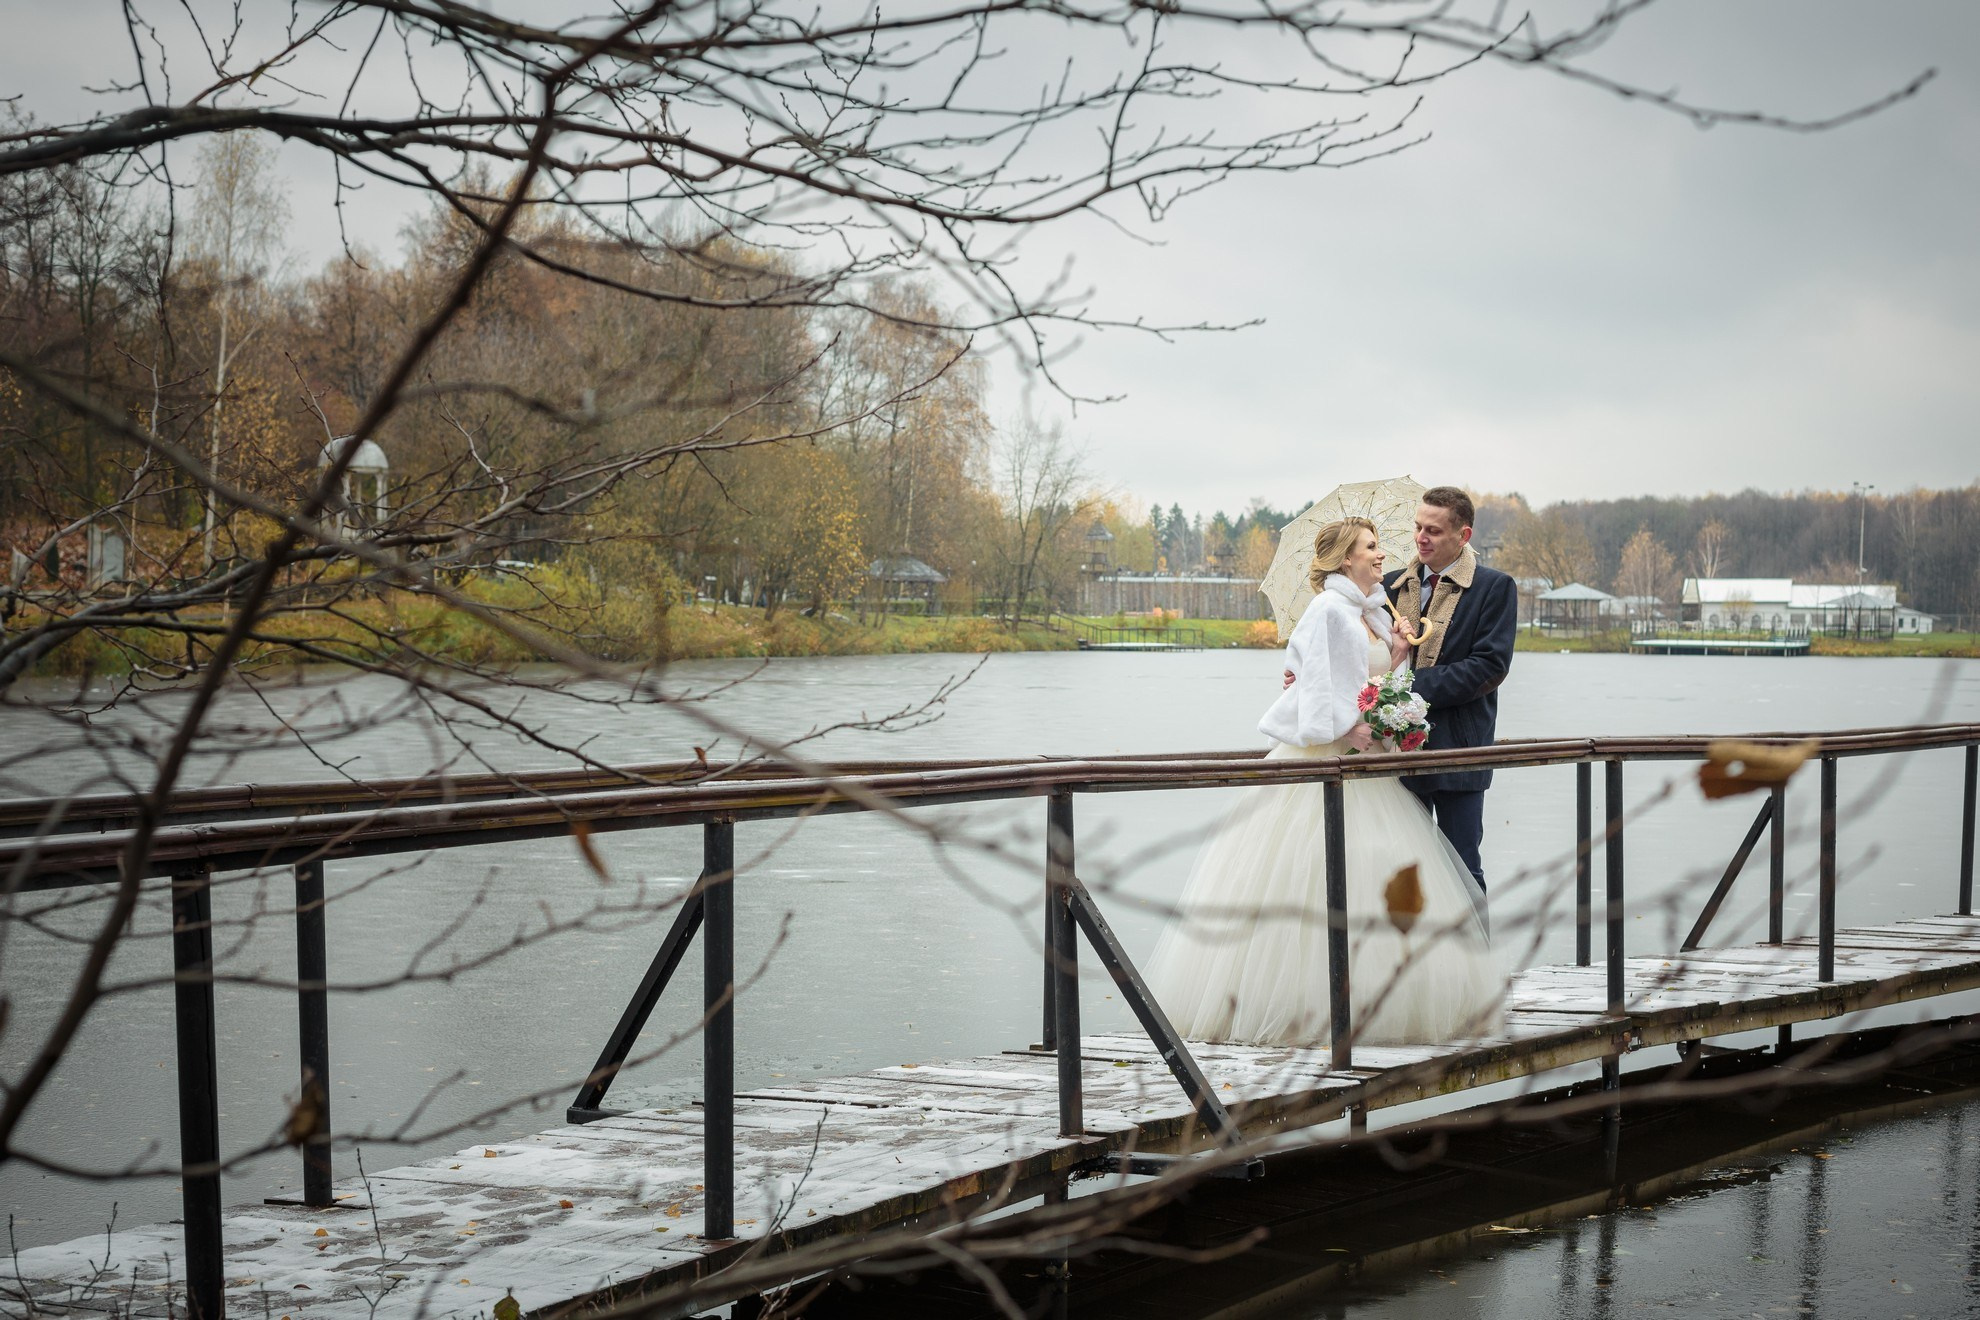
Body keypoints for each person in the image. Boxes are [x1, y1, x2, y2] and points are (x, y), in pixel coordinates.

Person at [1145, 517, 1502, 1047]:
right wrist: (1348, 725)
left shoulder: (1376, 612)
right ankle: (1301, 1005)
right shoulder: (1327, 611)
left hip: (1369, 767)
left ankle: (1380, 998)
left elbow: (1378, 684)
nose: (1384, 555)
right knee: (1311, 871)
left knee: (1374, 871)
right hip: (1328, 759)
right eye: (1372, 547)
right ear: (1344, 559)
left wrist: (1399, 663)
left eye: (1380, 545)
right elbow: (1312, 688)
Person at [1381, 487, 1518, 889]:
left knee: (1463, 871)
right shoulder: (1390, 588)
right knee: (1403, 873)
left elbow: (1489, 667)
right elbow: (1363, 654)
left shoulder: (1494, 587)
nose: (1422, 537)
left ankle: (1475, 954)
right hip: (1397, 754)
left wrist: (1409, 685)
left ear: (1464, 535)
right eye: (1418, 527)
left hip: (1460, 752)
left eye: (1434, 531)